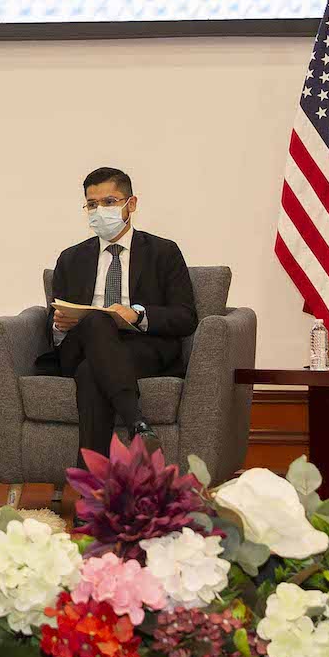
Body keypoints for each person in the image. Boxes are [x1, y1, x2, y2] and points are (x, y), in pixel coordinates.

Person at [34, 166, 197, 459]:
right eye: (92, 205)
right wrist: (60, 324)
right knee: (96, 319)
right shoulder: (71, 258)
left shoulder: (163, 252)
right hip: (80, 345)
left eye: (109, 202)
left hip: (140, 348)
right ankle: (136, 421)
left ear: (130, 204)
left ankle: (92, 488)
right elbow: (54, 318)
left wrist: (137, 316)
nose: (100, 211)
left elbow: (186, 316)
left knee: (90, 373)